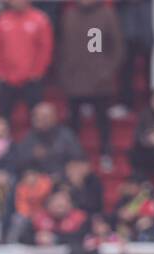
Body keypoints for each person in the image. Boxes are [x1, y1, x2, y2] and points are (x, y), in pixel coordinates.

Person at [57, 0, 124, 171]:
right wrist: (65, 72)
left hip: (99, 81)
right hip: (74, 80)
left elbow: (117, 47)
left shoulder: (106, 14)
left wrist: (107, 71)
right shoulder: (68, 16)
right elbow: (60, 47)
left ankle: (105, 154)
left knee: (102, 121)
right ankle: (73, 157)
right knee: (74, 122)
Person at [0, 0, 53, 124]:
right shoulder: (2, 20)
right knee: (2, 117)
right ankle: (2, 143)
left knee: (37, 117)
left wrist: (38, 71)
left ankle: (39, 142)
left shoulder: (39, 19)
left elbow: (45, 48)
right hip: (7, 78)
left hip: (31, 79)